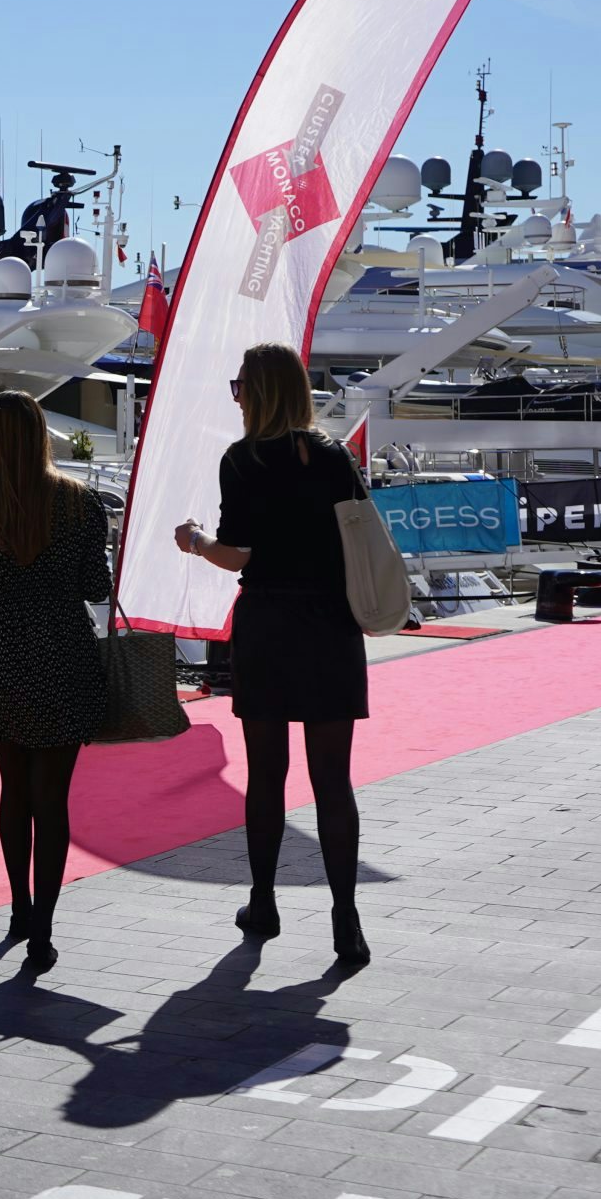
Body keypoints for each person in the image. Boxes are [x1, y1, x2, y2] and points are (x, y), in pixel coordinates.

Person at [173, 341, 373, 967]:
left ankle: (263, 901)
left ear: (258, 393)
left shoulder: (244, 460)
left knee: (266, 775)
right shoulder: (334, 455)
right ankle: (346, 918)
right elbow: (360, 534)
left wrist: (195, 539)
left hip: (268, 624)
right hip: (331, 625)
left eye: (240, 388)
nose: (236, 399)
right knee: (332, 780)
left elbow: (236, 554)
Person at [0, 388, 111, 976]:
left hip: (4, 651)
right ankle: (44, 930)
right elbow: (95, 587)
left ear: (1, 440)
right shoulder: (81, 503)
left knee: (14, 791)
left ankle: (19, 908)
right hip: (65, 651)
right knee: (52, 799)